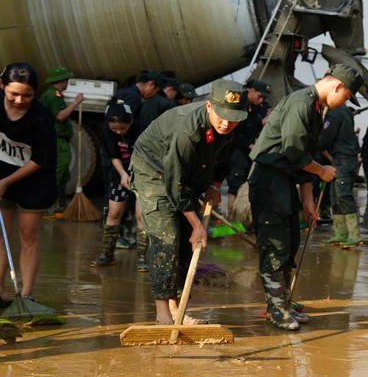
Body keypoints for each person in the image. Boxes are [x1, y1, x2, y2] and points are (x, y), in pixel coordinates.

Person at [249, 65, 362, 330]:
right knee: (275, 245)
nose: (343, 103)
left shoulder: (315, 108)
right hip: (270, 180)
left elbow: (304, 157)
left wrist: (308, 201)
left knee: (289, 244)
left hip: (286, 181)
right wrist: (322, 170)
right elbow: (293, 153)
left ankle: (283, 304)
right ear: (336, 87)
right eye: (346, 97)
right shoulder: (301, 103)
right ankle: (276, 310)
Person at [129, 80, 246, 325]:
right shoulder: (188, 129)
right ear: (208, 106)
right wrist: (197, 224)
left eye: (233, 118)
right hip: (154, 170)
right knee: (167, 238)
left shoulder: (230, 127)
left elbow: (222, 158)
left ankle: (177, 309)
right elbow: (174, 181)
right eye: (222, 116)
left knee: (184, 243)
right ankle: (163, 315)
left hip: (186, 173)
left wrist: (215, 186)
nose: (227, 123)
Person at [0, 63, 56, 309]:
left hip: (34, 180)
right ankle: (0, 292)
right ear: (2, 86)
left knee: (28, 236)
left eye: (27, 95)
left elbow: (41, 160)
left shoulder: (41, 117)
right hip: (1, 176)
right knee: (1, 236)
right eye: (14, 94)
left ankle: (26, 295)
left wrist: (6, 181)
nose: (20, 100)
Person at [90, 101, 144, 267]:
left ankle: (142, 258)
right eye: (115, 129)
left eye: (123, 128)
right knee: (114, 213)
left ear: (131, 121)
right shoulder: (107, 130)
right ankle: (107, 254)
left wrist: (135, 176)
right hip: (120, 173)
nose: (119, 132)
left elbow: (148, 157)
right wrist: (123, 174)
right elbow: (114, 156)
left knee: (141, 216)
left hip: (144, 174)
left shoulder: (143, 129)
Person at [38, 66, 83, 215]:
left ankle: (61, 204)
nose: (68, 82)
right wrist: (76, 102)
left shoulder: (55, 94)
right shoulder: (53, 96)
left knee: (63, 173)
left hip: (60, 140)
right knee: (59, 171)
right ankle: (48, 205)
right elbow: (60, 116)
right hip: (57, 140)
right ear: (61, 81)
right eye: (66, 79)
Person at [318, 103, 363, 248]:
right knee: (335, 195)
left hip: (342, 158)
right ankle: (340, 233)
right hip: (343, 157)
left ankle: (353, 234)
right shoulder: (345, 111)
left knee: (342, 195)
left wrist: (313, 144)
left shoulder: (334, 113)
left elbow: (326, 137)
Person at [227, 79, 271, 218]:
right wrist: (249, 145)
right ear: (250, 91)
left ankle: (243, 219)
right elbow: (234, 133)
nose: (261, 100)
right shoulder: (239, 106)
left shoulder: (255, 108)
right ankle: (232, 220)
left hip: (249, 155)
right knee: (234, 189)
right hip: (238, 154)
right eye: (259, 96)